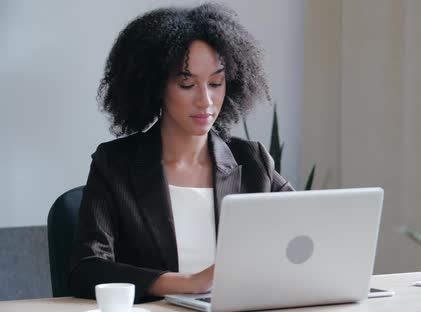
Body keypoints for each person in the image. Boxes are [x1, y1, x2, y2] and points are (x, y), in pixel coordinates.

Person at [69, 3, 294, 303]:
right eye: (186, 84)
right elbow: (86, 271)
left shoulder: (252, 162)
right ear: (155, 86)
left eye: (215, 83)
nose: (206, 101)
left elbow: (305, 235)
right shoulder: (115, 165)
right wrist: (189, 283)